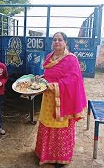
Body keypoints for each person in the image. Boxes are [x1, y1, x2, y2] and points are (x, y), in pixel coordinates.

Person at [35, 32, 87, 167]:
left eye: (60, 39)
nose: (56, 42)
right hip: (48, 98)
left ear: (65, 42)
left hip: (63, 99)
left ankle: (60, 158)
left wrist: (55, 86)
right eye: (54, 39)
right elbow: (49, 75)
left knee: (60, 126)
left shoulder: (71, 59)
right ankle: (45, 154)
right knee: (47, 123)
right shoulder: (49, 57)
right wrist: (42, 79)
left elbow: (73, 80)